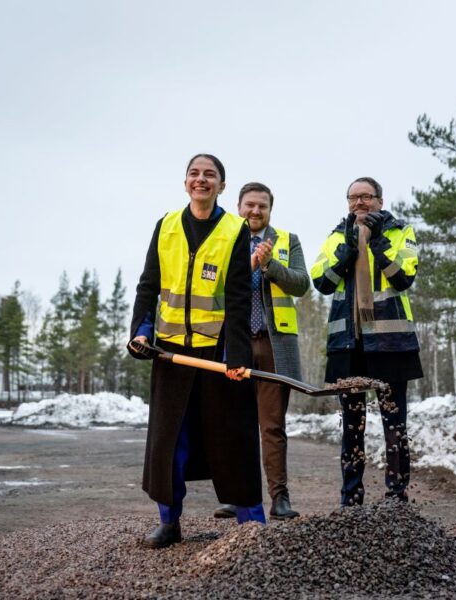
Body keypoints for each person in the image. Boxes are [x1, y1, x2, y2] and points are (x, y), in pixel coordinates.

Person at [128, 154, 265, 549]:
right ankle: (169, 523)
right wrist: (141, 331)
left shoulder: (234, 229)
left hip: (218, 352)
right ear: (185, 182)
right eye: (194, 174)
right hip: (170, 354)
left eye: (210, 175)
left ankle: (250, 525)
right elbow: (148, 285)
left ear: (222, 186)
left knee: (234, 437)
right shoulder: (166, 225)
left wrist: (237, 357)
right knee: (169, 442)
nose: (201, 180)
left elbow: (240, 297)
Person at [310, 176, 422, 506]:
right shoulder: (336, 236)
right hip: (348, 346)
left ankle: (396, 497)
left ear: (380, 202)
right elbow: (322, 282)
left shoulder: (401, 232)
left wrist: (377, 244)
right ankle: (351, 498)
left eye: (367, 197)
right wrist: (347, 248)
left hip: (391, 343)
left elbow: (403, 277)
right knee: (352, 426)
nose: (360, 203)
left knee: (394, 423)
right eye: (353, 198)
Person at [214, 182, 309, 521]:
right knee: (233, 424)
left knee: (271, 425)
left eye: (262, 206)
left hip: (273, 344)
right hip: (233, 343)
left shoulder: (287, 240)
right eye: (249, 205)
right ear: (238, 207)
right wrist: (250, 264)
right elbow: (213, 292)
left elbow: (301, 284)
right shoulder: (223, 239)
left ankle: (279, 498)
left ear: (270, 209)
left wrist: (270, 265)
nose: (255, 211)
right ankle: (235, 495)